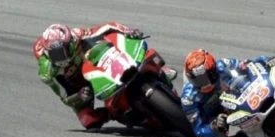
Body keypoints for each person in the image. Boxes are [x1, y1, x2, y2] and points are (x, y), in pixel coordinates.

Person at [33, 22, 175, 130]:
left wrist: (128, 31)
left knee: (112, 43)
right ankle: (112, 113)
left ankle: (159, 69)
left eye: (62, 51)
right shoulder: (47, 72)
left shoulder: (77, 36)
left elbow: (107, 27)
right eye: (54, 54)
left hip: (87, 61)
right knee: (89, 121)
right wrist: (78, 97)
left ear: (70, 43)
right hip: (76, 84)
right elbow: (63, 96)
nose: (59, 57)